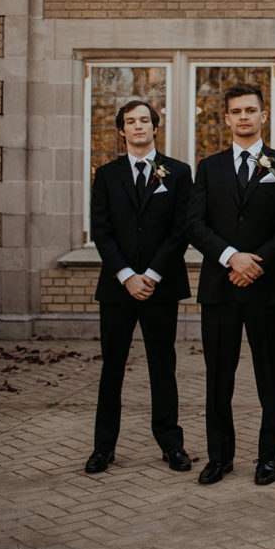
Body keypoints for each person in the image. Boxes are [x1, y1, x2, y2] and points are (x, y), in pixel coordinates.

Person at [188, 83, 275, 486]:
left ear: (263, 115)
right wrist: (229, 257)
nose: (244, 117)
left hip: (267, 288)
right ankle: (219, 457)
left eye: (251, 110)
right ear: (227, 118)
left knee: (272, 376)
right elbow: (195, 224)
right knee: (219, 376)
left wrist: (258, 262)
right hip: (220, 288)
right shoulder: (209, 167)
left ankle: (268, 457)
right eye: (236, 111)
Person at [86, 100, 192, 474]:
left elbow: (181, 230)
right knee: (112, 367)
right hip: (118, 288)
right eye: (130, 122)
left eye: (144, 120)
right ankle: (103, 447)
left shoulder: (178, 172)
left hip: (160, 287)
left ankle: (171, 443)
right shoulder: (107, 174)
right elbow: (102, 230)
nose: (138, 127)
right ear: (122, 130)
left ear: (154, 127)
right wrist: (127, 275)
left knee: (163, 365)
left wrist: (151, 274)